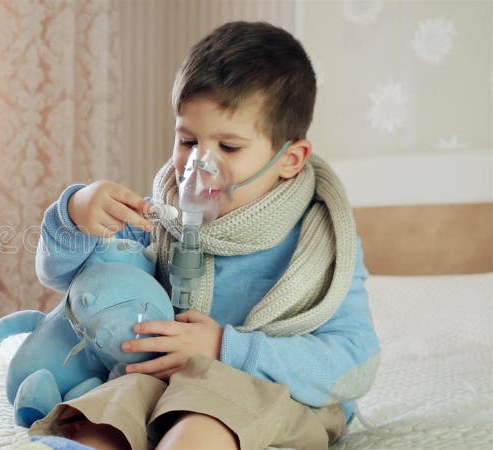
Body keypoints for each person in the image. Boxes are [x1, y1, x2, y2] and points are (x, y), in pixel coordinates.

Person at [27, 21, 380, 450]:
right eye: (187, 140)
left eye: (228, 147)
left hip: (273, 392)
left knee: (202, 422)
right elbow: (62, 276)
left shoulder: (321, 246)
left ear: (290, 159)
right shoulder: (158, 220)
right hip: (164, 383)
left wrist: (225, 347)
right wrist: (76, 214)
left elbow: (356, 362)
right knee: (99, 422)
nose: (199, 164)